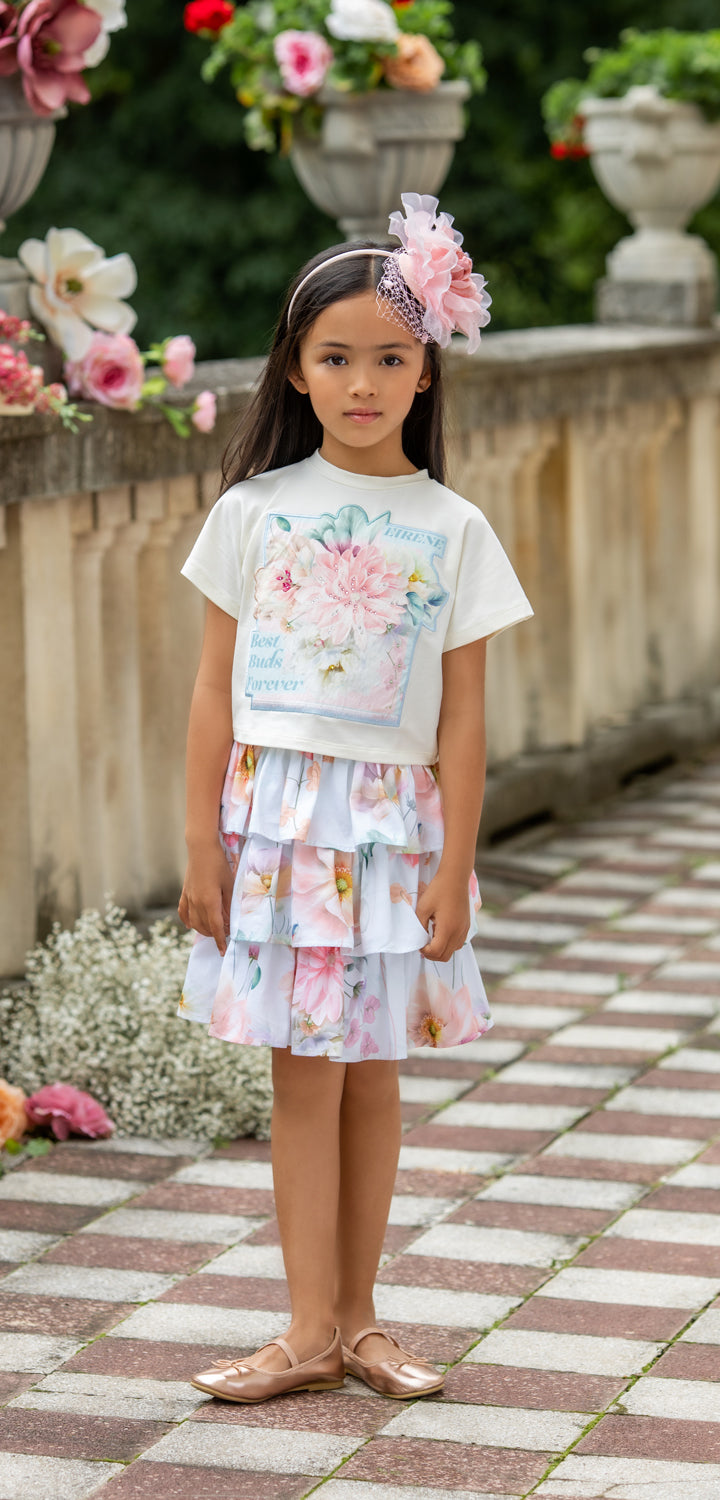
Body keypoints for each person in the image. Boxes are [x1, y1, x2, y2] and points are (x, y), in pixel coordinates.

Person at [176, 194, 533, 1405]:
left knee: (374, 1069)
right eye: (335, 358)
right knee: (302, 1077)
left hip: (390, 835)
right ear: (295, 368)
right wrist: (199, 850)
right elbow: (211, 691)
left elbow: (465, 718)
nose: (362, 382)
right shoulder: (251, 512)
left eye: (389, 358)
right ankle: (303, 1329)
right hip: (277, 831)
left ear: (426, 370)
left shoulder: (454, 528)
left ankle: (361, 1322)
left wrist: (453, 866)